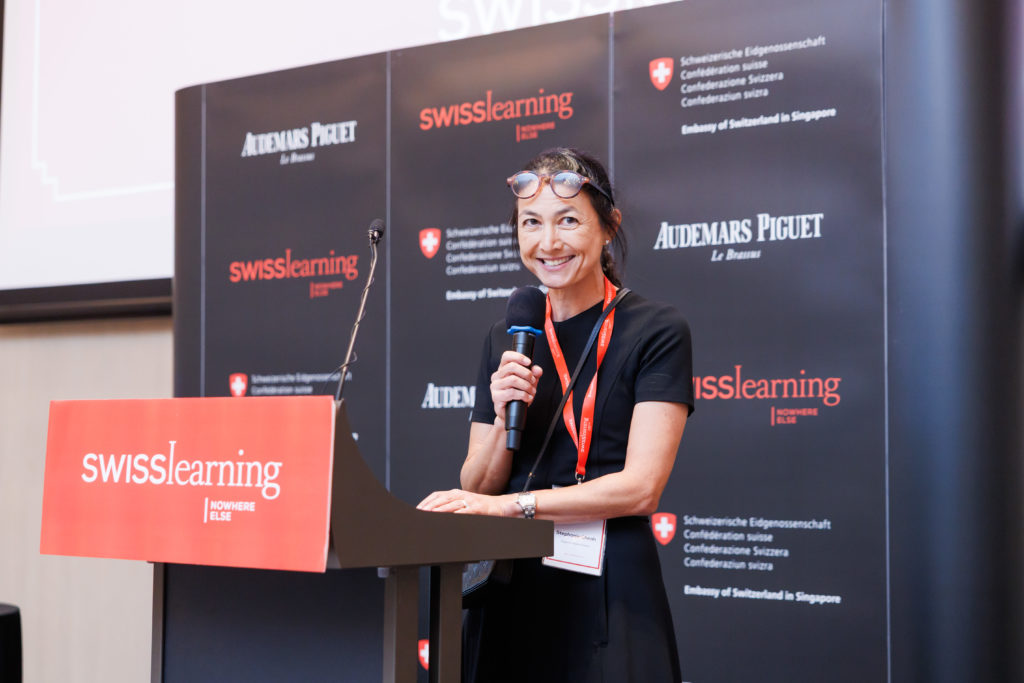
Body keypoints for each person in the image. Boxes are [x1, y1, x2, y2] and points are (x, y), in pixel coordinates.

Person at [417, 147, 693, 682]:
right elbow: (477, 483)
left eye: (568, 221)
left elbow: (641, 488)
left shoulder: (656, 330)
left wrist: (510, 508)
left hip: (609, 584)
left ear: (608, 227)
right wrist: (505, 412)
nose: (548, 243)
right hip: (510, 585)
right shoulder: (508, 335)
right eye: (531, 223)